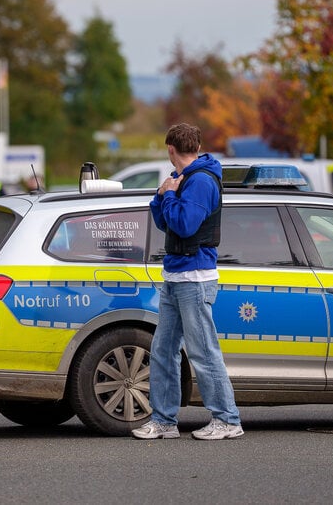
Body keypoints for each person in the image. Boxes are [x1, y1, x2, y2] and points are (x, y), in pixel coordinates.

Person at [132, 123, 243, 441]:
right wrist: (161, 196)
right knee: (163, 350)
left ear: (170, 149)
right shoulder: (185, 180)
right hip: (177, 275)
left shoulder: (201, 182)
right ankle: (164, 421)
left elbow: (183, 224)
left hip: (194, 278)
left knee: (203, 350)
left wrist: (168, 195)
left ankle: (227, 419)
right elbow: (164, 220)